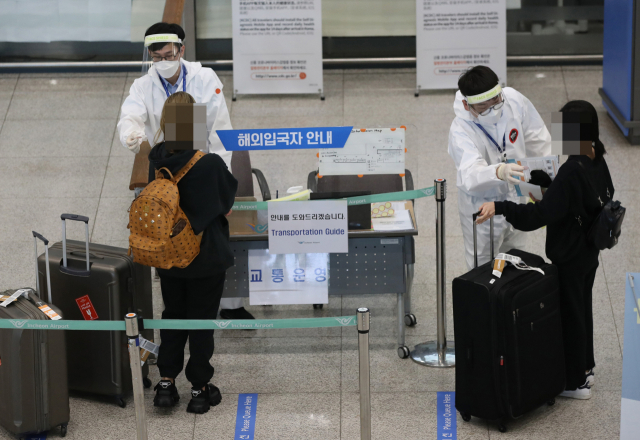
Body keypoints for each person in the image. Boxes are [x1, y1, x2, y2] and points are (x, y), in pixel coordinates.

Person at [476, 100, 614, 400]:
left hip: (569, 256)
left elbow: (536, 218)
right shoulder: (596, 156)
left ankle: (575, 381)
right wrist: (551, 191)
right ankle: (585, 368)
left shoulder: (569, 171)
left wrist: (500, 206)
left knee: (571, 314)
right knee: (582, 310)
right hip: (589, 251)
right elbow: (587, 198)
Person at [118, 22, 252, 319]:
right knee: (171, 237)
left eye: (168, 55)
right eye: (156, 58)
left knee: (207, 243)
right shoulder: (143, 85)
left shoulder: (204, 78)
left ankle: (226, 306)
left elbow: (220, 133)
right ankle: (178, 307)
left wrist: (221, 190)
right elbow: (129, 117)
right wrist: (133, 136)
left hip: (202, 172)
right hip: (167, 175)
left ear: (181, 49)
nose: (163, 63)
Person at [149, 92, 238, 413]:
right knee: (201, 321)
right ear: (194, 124)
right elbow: (226, 204)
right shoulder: (209, 163)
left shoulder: (156, 158)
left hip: (168, 258)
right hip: (205, 259)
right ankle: (199, 389)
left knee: (172, 316)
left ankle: (166, 384)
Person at [448, 66, 552, 270]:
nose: (493, 109)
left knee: (517, 260)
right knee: (482, 268)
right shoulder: (460, 129)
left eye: (496, 101)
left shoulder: (513, 99)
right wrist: (498, 172)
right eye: (484, 107)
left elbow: (537, 137)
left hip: (518, 196)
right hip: (483, 206)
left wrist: (545, 180)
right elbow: (470, 173)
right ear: (467, 105)